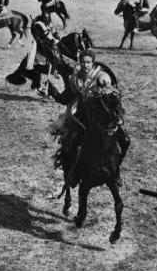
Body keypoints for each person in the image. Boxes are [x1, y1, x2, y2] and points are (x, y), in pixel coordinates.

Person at [47, 49, 130, 185]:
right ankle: (73, 170)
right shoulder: (75, 79)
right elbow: (69, 97)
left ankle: (116, 170)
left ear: (92, 63)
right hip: (83, 117)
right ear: (79, 63)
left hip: (102, 117)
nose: (85, 65)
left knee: (125, 140)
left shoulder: (101, 76)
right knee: (70, 141)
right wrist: (55, 93)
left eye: (88, 62)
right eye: (83, 62)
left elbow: (111, 97)